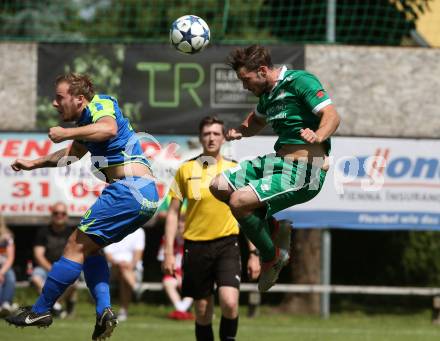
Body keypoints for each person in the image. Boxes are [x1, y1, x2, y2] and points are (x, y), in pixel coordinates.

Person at [6, 73, 159, 341]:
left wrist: (66, 132)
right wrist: (35, 162)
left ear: (79, 99)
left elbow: (109, 128)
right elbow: (72, 155)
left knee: (74, 245)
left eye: (59, 98)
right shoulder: (86, 123)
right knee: (89, 249)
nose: (54, 104)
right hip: (141, 194)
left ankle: (40, 310)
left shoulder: (102, 104)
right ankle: (104, 312)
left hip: (130, 189)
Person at [209, 45, 341, 292]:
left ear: (261, 71)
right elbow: (256, 120)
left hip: (306, 170)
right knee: (218, 185)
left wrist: (318, 134)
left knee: (238, 201)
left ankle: (271, 255)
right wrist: (241, 130)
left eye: (245, 79)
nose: (244, 86)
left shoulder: (300, 81)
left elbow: (332, 115)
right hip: (277, 162)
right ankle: (274, 229)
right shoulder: (267, 96)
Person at [163, 116, 261, 341]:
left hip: (227, 243)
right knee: (202, 311)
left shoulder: (235, 170)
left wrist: (254, 253)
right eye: (207, 134)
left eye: (216, 133)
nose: (211, 138)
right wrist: (169, 253)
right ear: (200, 137)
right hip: (195, 246)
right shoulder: (186, 169)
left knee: (229, 302)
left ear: (224, 137)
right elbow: (172, 213)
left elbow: (249, 213)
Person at [31, 202, 76, 318]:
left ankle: (53, 306)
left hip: (64, 268)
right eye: (56, 213)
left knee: (73, 283)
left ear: (66, 216)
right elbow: (38, 255)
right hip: (45, 267)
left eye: (63, 213)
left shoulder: (72, 233)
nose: (59, 216)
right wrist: (51, 269)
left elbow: (74, 255)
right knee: (36, 278)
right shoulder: (43, 232)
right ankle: (57, 307)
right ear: (52, 214)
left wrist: (60, 270)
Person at [157, 196, 193, 320]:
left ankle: (181, 310)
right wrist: (176, 274)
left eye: (184, 222)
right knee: (168, 282)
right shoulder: (168, 241)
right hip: (175, 272)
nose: (181, 225)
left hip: (190, 272)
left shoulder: (193, 240)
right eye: (179, 223)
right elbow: (164, 262)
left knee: (194, 282)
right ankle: (182, 310)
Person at [104, 227, 145, 321]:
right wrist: (119, 263)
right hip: (113, 268)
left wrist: (129, 265)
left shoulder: (138, 231)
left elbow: (138, 255)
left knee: (123, 275)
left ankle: (123, 311)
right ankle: (136, 288)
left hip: (133, 269)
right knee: (122, 270)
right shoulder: (110, 229)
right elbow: (109, 257)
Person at [0, 215, 17, 317]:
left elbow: (10, 257)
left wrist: (1, 272)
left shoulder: (7, 237)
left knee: (10, 276)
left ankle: (6, 304)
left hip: (4, 267)